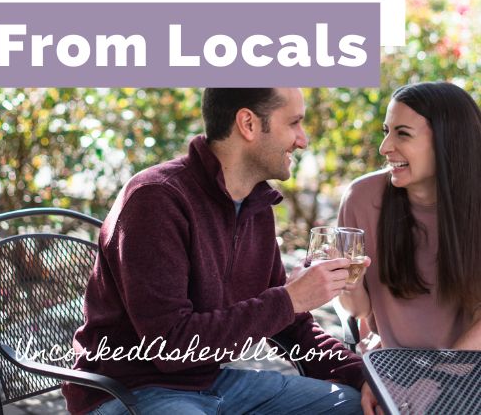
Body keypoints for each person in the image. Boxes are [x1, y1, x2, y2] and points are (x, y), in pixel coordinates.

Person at [63, 88, 366, 415]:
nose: (302, 140)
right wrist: (290, 299)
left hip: (213, 382)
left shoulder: (256, 207)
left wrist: (365, 380)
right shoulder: (156, 199)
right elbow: (170, 347)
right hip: (129, 390)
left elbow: (290, 325)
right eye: (293, 123)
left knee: (352, 405)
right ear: (248, 124)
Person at [338, 81, 481, 413]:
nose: (385, 146)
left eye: (403, 133)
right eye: (387, 131)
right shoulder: (363, 199)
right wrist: (345, 280)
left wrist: (437, 383)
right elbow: (357, 310)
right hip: (395, 366)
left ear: (448, 142)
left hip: (469, 369)